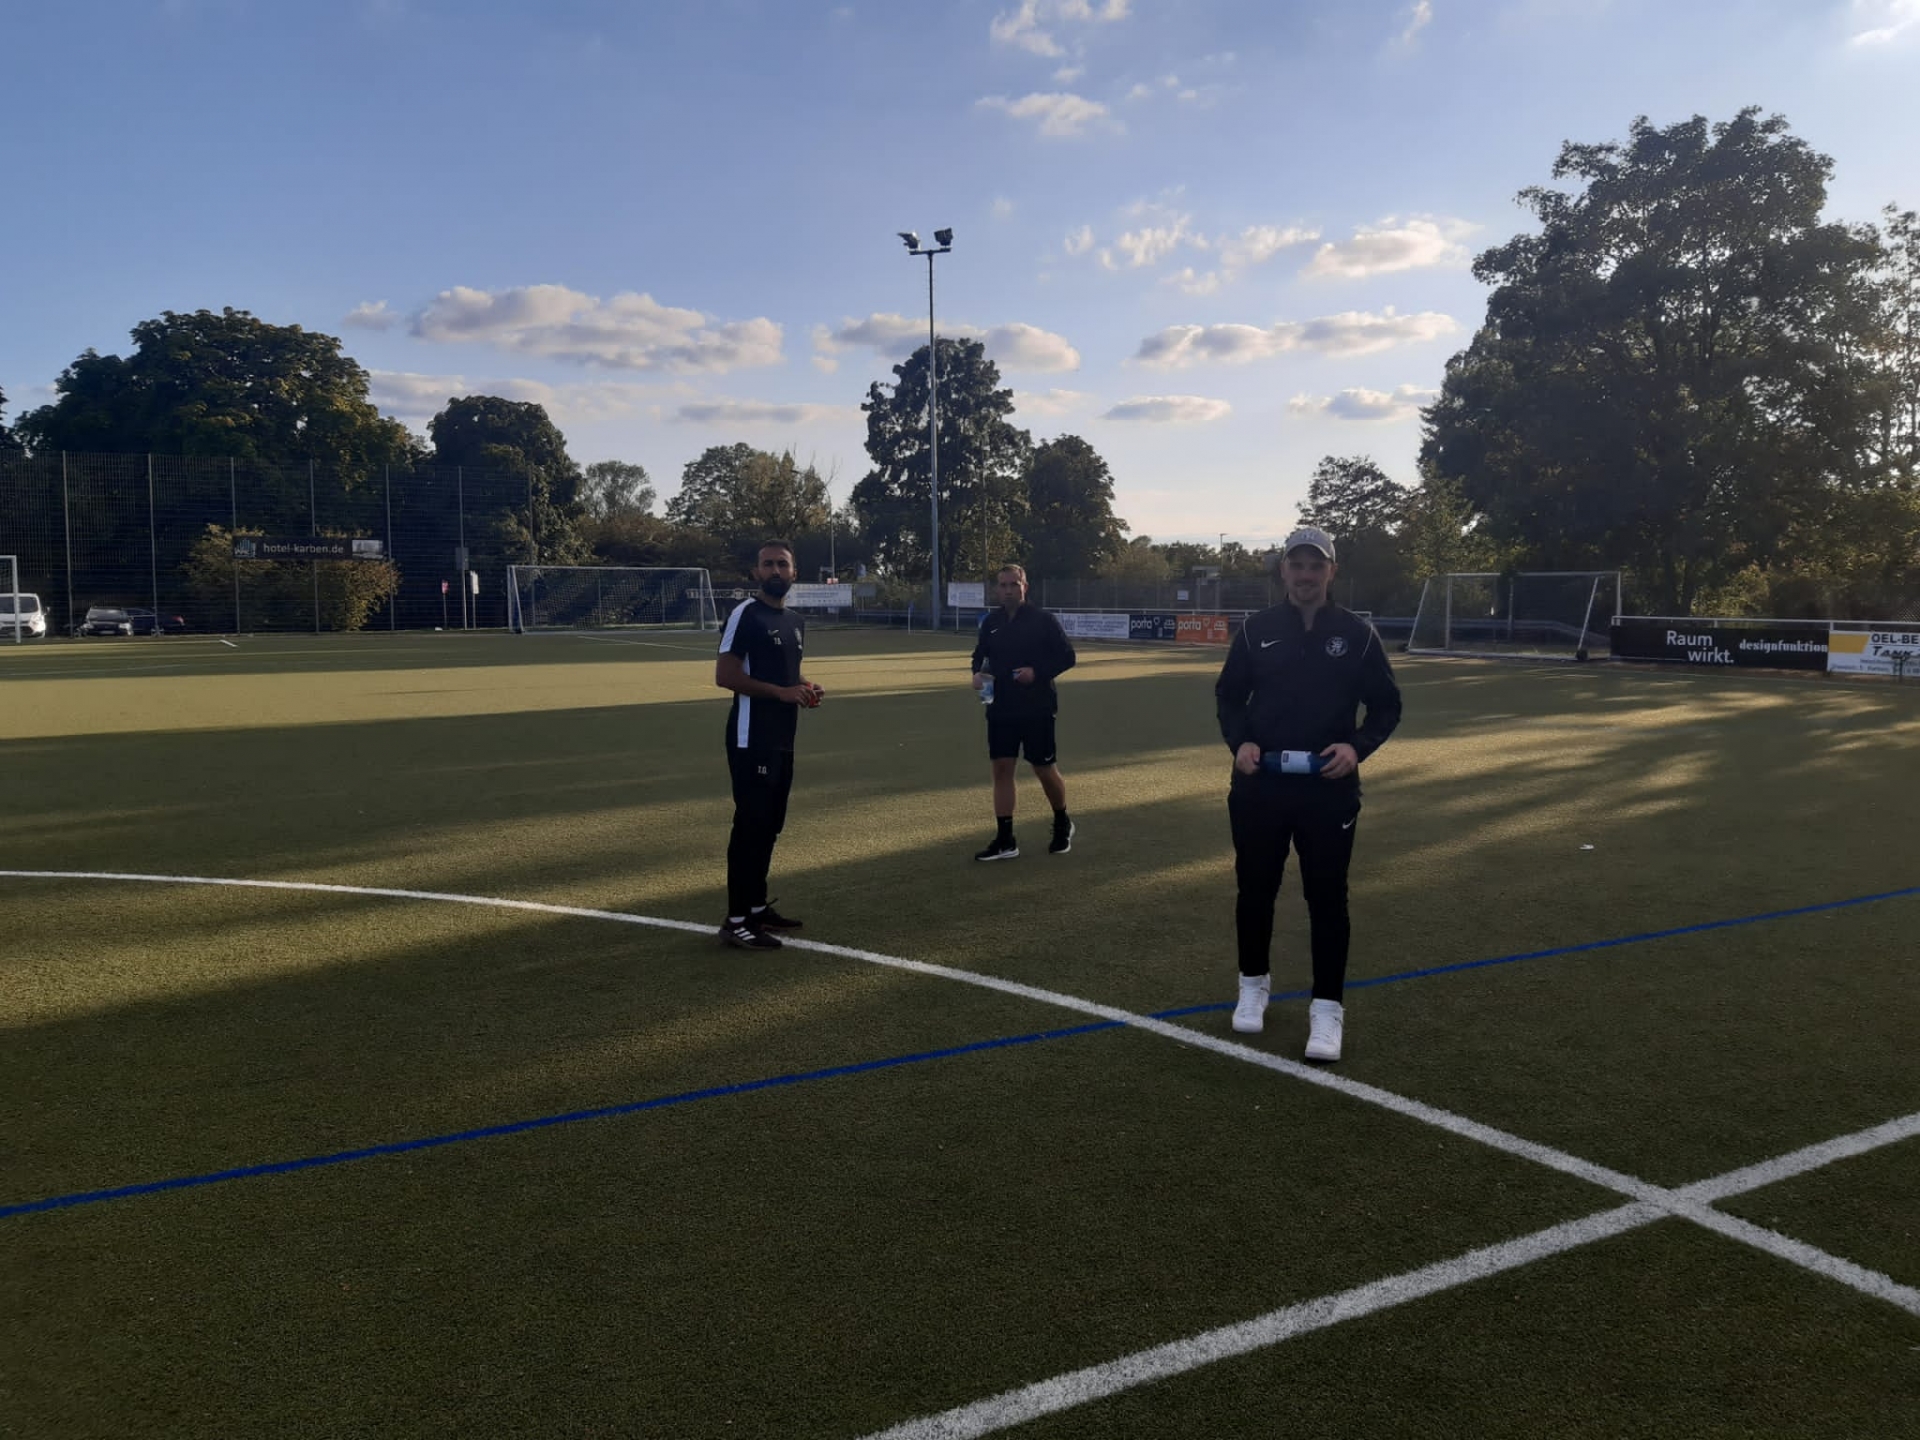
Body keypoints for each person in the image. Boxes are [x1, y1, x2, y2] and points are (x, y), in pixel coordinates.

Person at [1214, 526, 1402, 1060]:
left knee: (1327, 898)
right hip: (1261, 785)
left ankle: (1327, 1008)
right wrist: (1241, 742)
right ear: (1283, 571)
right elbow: (1229, 697)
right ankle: (1253, 986)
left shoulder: (1357, 635)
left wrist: (1356, 748)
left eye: (1315, 566)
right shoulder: (1256, 630)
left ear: (1331, 572)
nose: (1305, 575)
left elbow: (1387, 705)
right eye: (1296, 565)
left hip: (1328, 789)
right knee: (1255, 890)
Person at [713, 540, 822, 950]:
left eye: (782, 564)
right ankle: (736, 920)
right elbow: (725, 676)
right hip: (750, 738)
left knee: (769, 826)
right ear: (756, 572)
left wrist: (805, 687)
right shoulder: (745, 614)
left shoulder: (795, 620)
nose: (775, 570)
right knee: (750, 826)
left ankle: (756, 908)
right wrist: (780, 693)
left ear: (794, 572)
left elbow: (787, 675)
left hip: (782, 738)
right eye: (768, 564)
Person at [968, 564, 1078, 861]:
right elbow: (980, 655)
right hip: (1000, 707)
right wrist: (976, 673)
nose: (1008, 590)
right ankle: (1006, 840)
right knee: (1002, 769)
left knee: (1043, 768)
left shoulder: (1043, 621)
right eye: (1003, 585)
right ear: (997, 589)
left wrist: (1036, 672)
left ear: (1024, 587)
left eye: (1014, 584)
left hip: (1036, 707)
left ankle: (1062, 821)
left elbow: (1067, 657)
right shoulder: (991, 622)